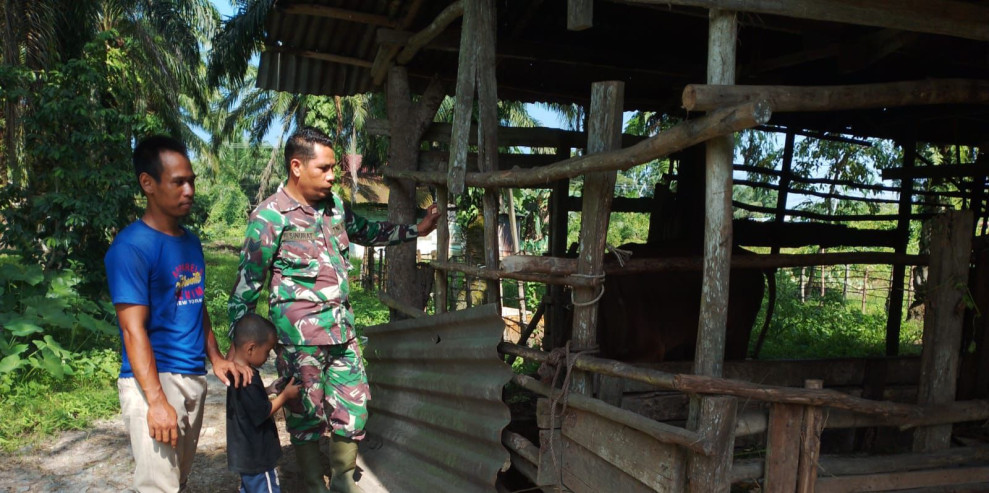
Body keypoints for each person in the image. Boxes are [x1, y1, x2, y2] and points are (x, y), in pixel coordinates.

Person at [228, 126, 440, 493]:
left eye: (332, 169)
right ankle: (313, 484)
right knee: (305, 417)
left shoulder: (335, 206)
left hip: (343, 335)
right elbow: (246, 287)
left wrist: (415, 230)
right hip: (299, 344)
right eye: (323, 168)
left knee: (352, 411)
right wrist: (238, 353)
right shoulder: (270, 217)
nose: (331, 177)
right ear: (296, 166)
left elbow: (367, 230)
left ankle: (343, 483)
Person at [105, 135, 252, 493]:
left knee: (178, 480)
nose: (189, 190)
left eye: (192, 181)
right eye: (178, 182)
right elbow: (132, 331)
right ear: (148, 184)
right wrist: (155, 401)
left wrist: (215, 357)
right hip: (155, 381)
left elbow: (194, 301)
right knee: (159, 486)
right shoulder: (131, 248)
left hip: (192, 377)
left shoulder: (189, 240)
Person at [226, 313, 302, 493]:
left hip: (245, 455)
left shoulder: (236, 373)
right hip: (258, 457)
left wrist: (268, 390)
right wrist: (284, 396)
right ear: (251, 348)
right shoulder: (248, 378)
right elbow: (263, 411)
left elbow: (247, 404)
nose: (267, 357)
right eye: (267, 351)